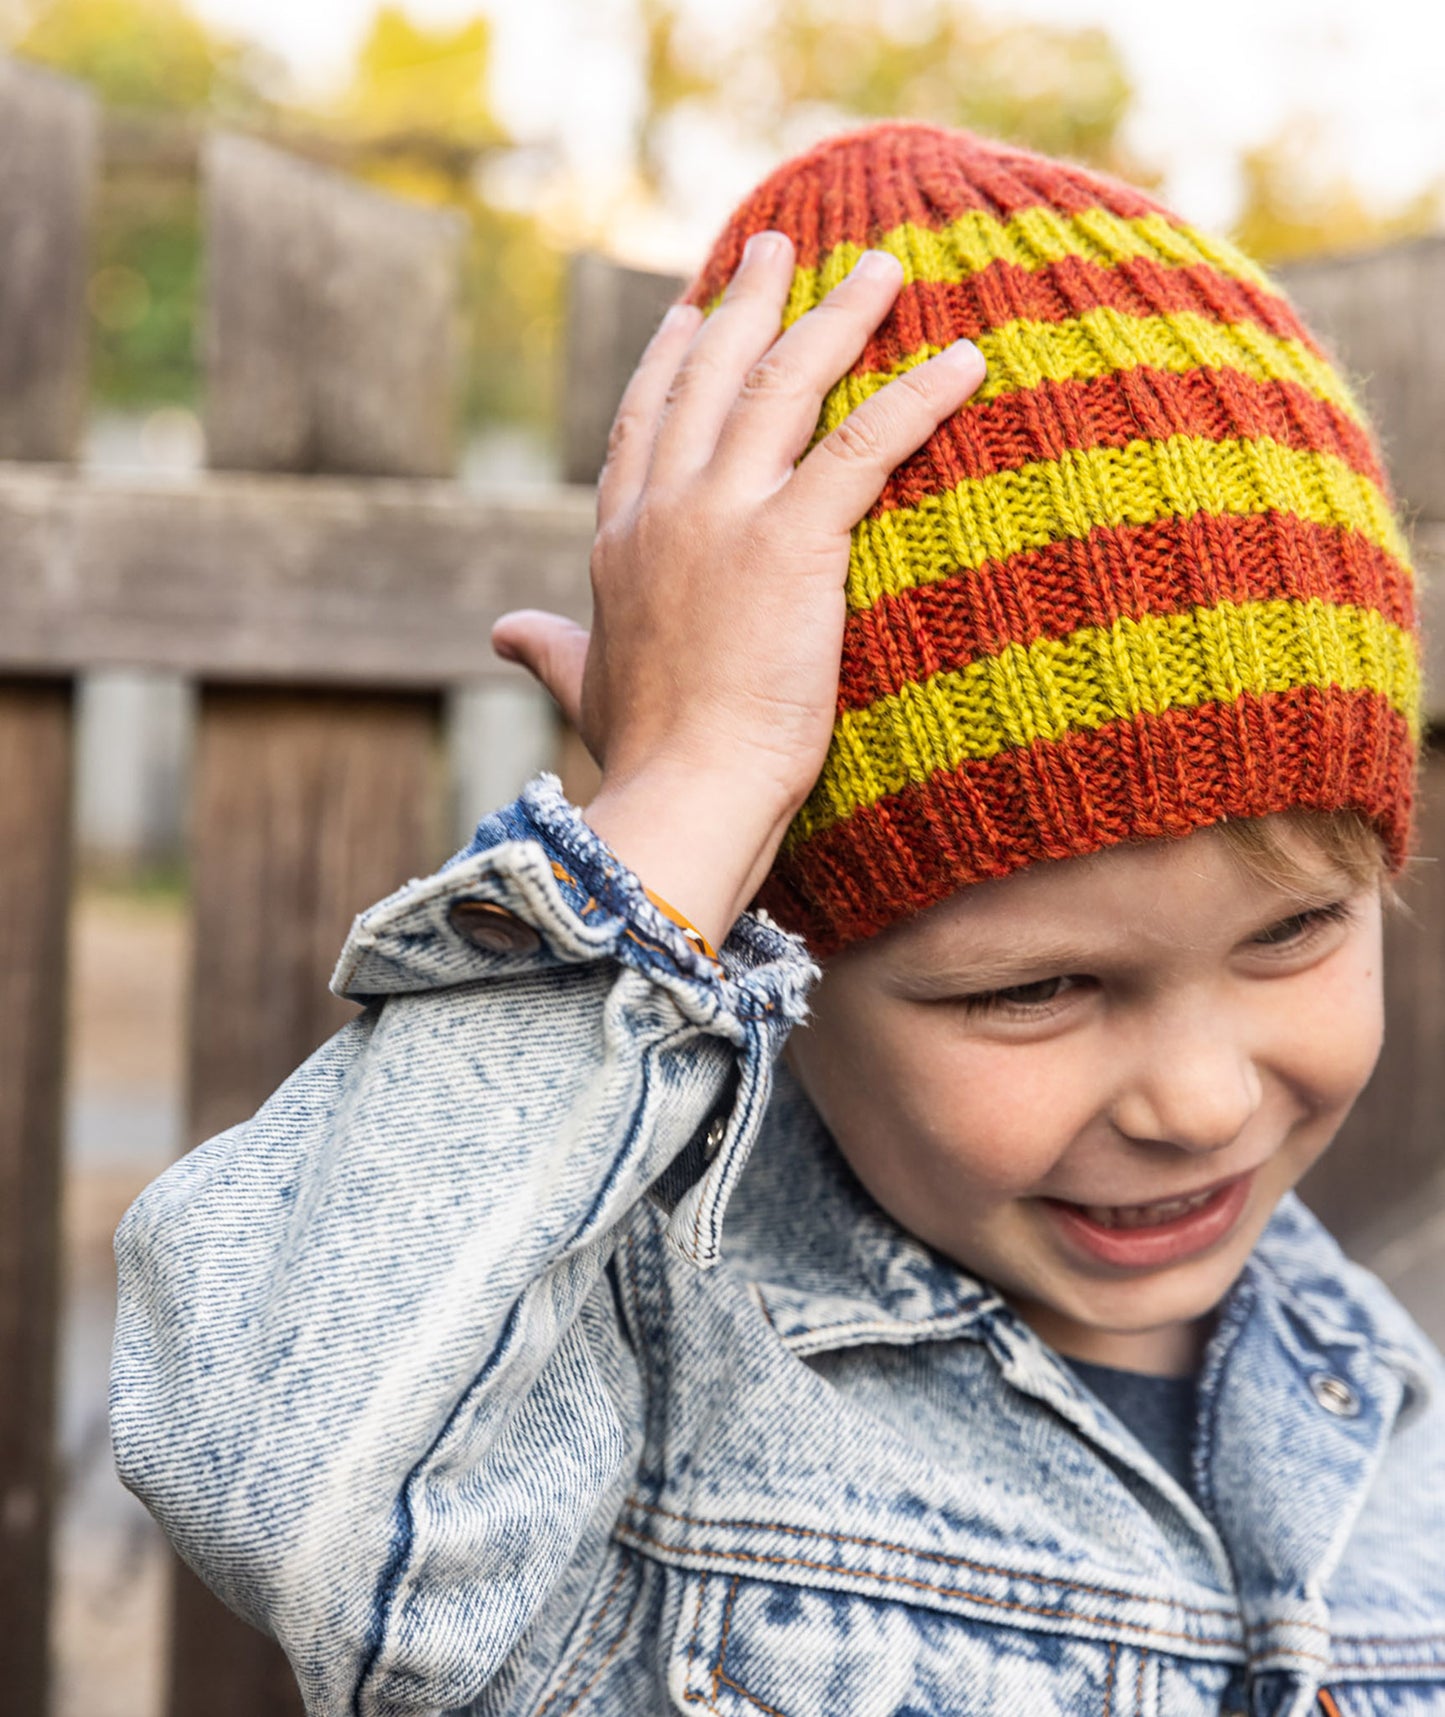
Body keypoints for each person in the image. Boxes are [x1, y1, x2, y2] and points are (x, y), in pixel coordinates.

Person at [112, 122, 1445, 1716]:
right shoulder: (628, 1380)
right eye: (1034, 989)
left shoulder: (1387, 1415)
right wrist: (689, 794)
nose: (1201, 1099)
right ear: (768, 951)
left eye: (1292, 931)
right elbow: (283, 1469)